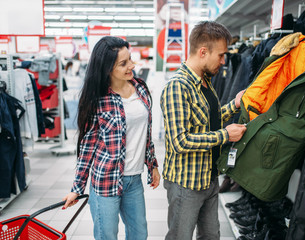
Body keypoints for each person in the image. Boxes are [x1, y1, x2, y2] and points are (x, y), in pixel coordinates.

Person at [62, 36, 160, 240]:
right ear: (107, 68)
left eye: (130, 59)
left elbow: (146, 135)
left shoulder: (140, 88)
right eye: (123, 63)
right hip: (105, 181)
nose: (131, 66)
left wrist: (153, 167)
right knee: (107, 235)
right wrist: (77, 188)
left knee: (139, 234)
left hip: (134, 180)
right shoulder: (98, 98)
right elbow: (87, 147)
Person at [160, 21, 247, 240]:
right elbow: (180, 141)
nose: (223, 61)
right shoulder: (178, 87)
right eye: (220, 55)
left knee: (211, 236)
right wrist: (225, 135)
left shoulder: (206, 82)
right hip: (185, 184)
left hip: (209, 178)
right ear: (203, 52)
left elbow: (210, 121)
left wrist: (233, 106)